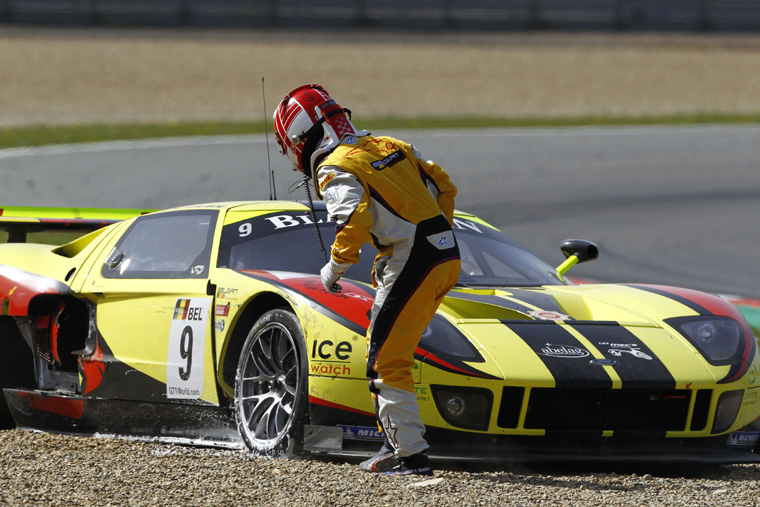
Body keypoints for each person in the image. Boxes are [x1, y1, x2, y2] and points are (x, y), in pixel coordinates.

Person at [273, 84, 461, 476]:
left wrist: (334, 268)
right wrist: (439, 234)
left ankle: (408, 455)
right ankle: (401, 443)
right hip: (447, 253)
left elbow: (352, 221)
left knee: (383, 360)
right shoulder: (390, 143)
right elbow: (444, 184)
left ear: (298, 139)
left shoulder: (332, 166)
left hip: (415, 260)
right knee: (396, 352)